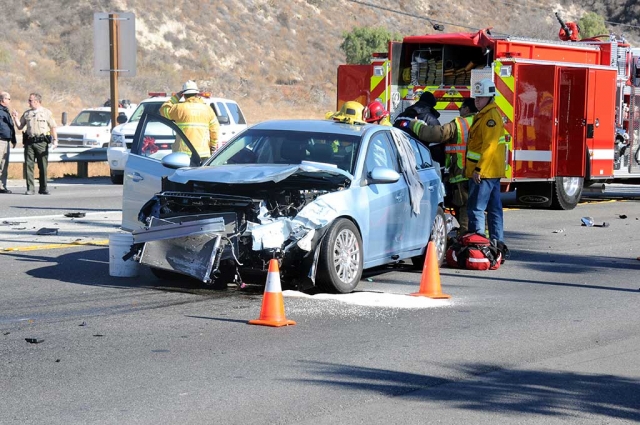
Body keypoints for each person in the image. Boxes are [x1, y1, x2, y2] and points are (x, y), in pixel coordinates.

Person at [409, 97, 478, 234]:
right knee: (477, 209)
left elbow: (434, 134)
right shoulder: (481, 122)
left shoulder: (459, 124)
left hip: (462, 174)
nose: (459, 111)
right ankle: (481, 240)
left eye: (460, 108)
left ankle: (469, 242)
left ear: (467, 109)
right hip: (480, 174)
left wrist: (415, 125)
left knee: (465, 209)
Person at [465, 78, 507, 244]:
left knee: (476, 208)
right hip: (490, 172)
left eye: (480, 98)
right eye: (476, 97)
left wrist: (479, 170)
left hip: (484, 173)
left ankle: (478, 244)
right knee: (494, 208)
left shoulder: (490, 117)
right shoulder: (485, 115)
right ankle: (497, 244)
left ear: (489, 98)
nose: (477, 101)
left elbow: (489, 146)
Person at [160, 80, 219, 158]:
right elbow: (215, 130)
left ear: (183, 95)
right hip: (203, 155)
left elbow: (163, 110)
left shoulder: (179, 109)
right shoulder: (207, 109)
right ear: (197, 94)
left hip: (183, 156)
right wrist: (213, 146)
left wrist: (176, 97)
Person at [13, 93, 57, 195]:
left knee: (43, 166)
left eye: (30, 100)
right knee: (29, 165)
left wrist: (55, 140)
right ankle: (30, 189)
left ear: (37, 101)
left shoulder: (46, 113)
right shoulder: (27, 114)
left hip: (42, 142)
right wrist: (15, 118)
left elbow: (53, 127)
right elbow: (20, 127)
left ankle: (43, 188)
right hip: (29, 142)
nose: (28, 102)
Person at [394, 91, 444, 167]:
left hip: (398, 161)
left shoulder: (401, 116)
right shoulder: (430, 119)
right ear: (432, 105)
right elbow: (436, 148)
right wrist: (440, 168)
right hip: (419, 164)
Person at [0, 92, 17, 194]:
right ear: (3, 99)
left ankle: (2, 186)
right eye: (8, 99)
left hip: (6, 140)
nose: (10, 101)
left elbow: (10, 127)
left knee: (4, 165)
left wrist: (13, 139)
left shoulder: (6, 111)